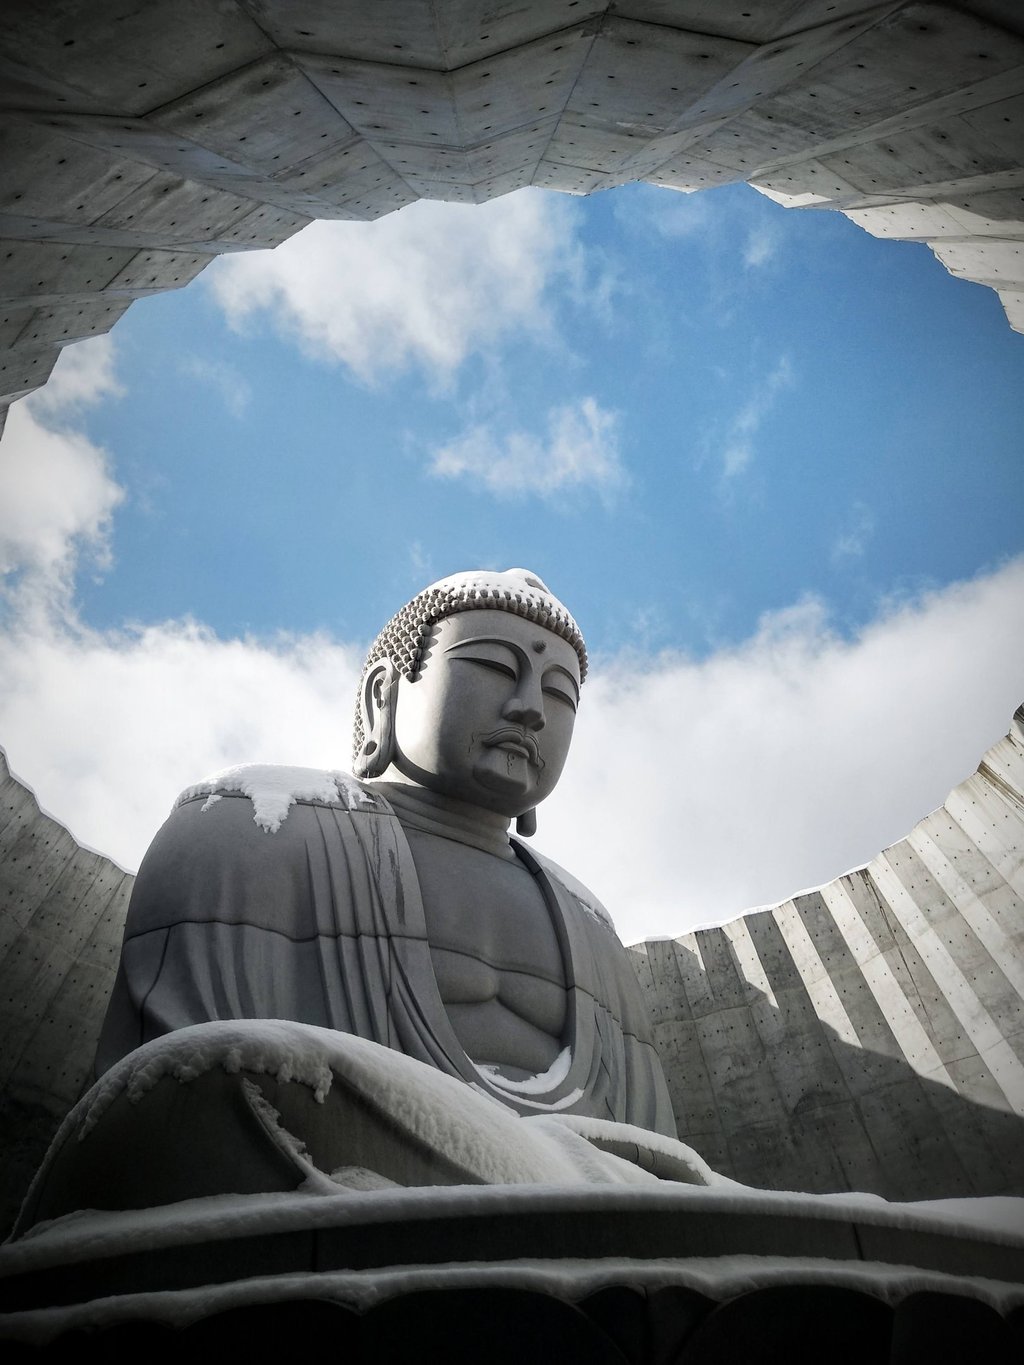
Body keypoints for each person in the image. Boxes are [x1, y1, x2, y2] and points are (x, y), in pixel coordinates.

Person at [16, 571, 690, 1233]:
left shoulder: (589, 921)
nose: (529, 707)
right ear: (384, 694)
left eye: (560, 692)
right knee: (235, 1071)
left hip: (591, 1207)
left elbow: (651, 1156)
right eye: (493, 665)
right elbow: (170, 1095)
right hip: (343, 1182)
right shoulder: (248, 824)